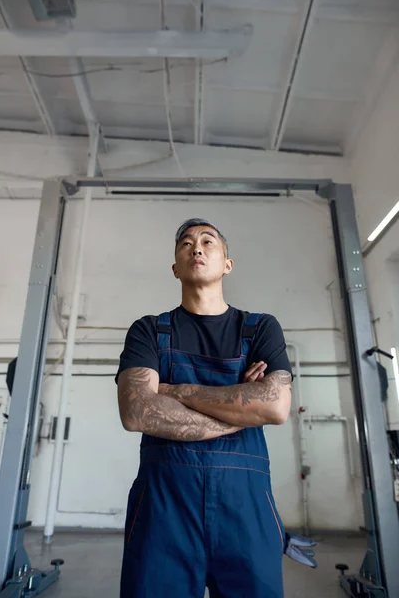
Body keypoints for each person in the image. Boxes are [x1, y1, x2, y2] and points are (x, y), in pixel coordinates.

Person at [116, 218, 314, 598]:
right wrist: (242, 404)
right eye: (186, 243)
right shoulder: (148, 331)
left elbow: (273, 408)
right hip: (164, 512)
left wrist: (175, 391)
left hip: (247, 511)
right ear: (175, 266)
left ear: (227, 263)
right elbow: (137, 412)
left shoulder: (259, 329)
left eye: (208, 241)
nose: (197, 248)